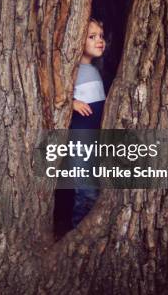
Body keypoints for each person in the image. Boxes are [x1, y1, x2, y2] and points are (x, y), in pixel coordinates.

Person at [69, 17, 106, 227]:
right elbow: (55, 96)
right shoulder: (73, 69)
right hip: (80, 140)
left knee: (93, 189)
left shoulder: (93, 69)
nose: (99, 40)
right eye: (92, 37)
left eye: (100, 36)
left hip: (94, 139)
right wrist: (71, 103)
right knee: (86, 190)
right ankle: (77, 233)